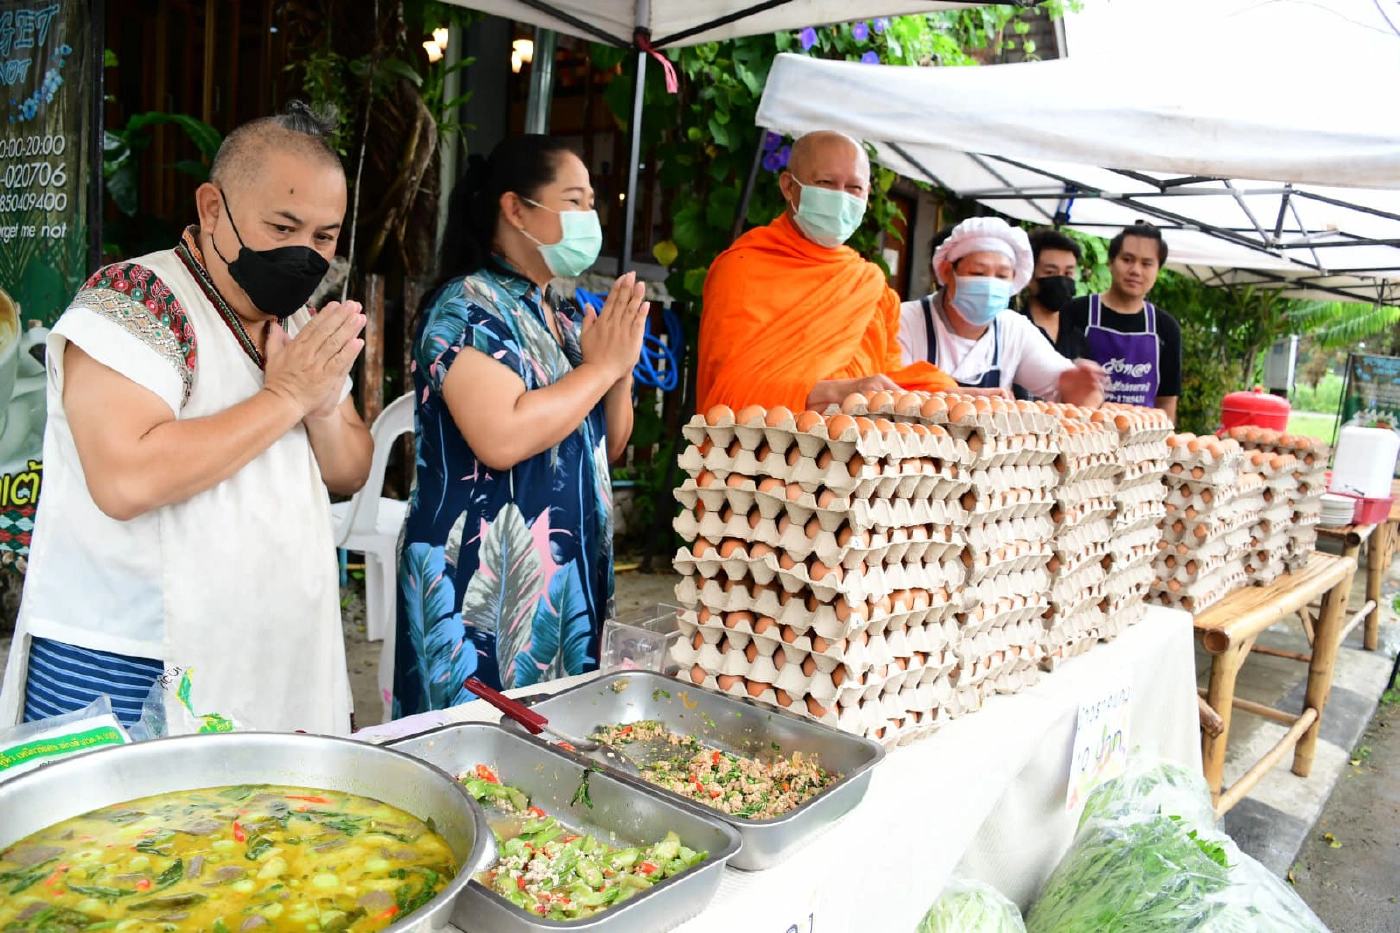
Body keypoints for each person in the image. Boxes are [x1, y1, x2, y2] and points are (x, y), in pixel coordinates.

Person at [0, 101, 372, 734]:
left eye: (324, 237)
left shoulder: (300, 323)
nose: (304, 255)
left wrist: (320, 402)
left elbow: (350, 468)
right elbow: (126, 481)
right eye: (282, 227)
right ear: (211, 209)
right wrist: (283, 398)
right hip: (133, 658)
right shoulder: (133, 299)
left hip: (270, 653)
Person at [392, 136, 647, 716]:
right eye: (575, 200)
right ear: (515, 208)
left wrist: (620, 370)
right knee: (470, 752)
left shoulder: (555, 314)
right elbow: (501, 437)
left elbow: (604, 446)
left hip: (563, 576)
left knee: (548, 757)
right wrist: (600, 367)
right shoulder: (465, 305)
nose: (591, 218)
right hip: (483, 584)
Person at [696, 130, 955, 413]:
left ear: (866, 194)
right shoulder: (743, 269)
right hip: (767, 451)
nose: (840, 197)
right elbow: (726, 395)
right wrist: (828, 393)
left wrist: (953, 395)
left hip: (856, 450)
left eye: (853, 188)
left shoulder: (868, 283)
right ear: (788, 186)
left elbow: (887, 376)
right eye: (826, 183)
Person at [897, 216, 1104, 406]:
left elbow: (1065, 386)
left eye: (1002, 276)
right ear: (946, 272)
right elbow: (889, 392)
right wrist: (965, 398)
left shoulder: (1013, 330)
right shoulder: (905, 321)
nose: (990, 284)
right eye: (978, 272)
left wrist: (1079, 388)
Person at [1063, 223, 1182, 422]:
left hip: (1139, 445)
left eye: (1146, 264)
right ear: (1111, 262)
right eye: (1127, 260)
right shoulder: (1075, 313)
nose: (1135, 270)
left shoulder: (1166, 328)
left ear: (1158, 269)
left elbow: (1167, 401)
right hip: (1081, 435)